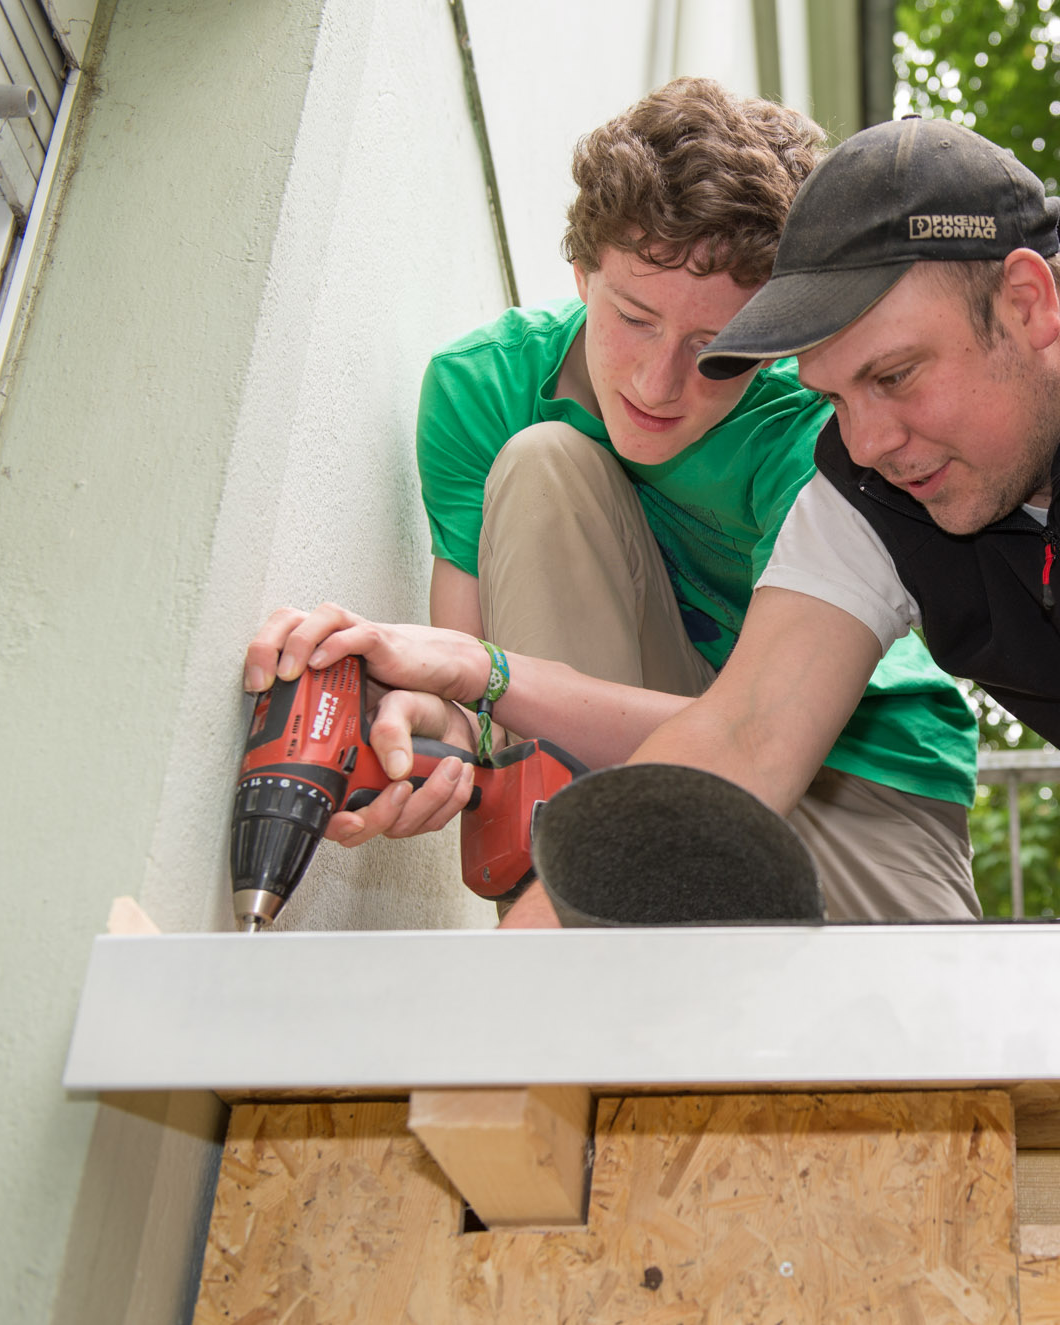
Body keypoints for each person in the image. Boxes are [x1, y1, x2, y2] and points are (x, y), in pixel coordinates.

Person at [248, 83, 982, 924]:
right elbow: (478, 697)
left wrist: (482, 687)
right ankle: (584, 947)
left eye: (718, 349)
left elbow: (755, 735)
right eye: (634, 318)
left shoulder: (811, 433)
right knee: (545, 462)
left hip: (850, 768)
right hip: (632, 746)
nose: (659, 383)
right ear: (583, 273)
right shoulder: (483, 390)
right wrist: (426, 736)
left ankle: (576, 944)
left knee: (900, 1013)